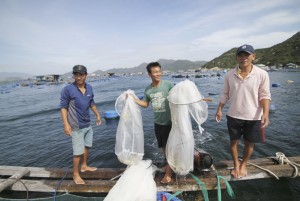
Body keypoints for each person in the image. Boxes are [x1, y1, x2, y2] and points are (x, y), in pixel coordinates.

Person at [215, 44, 271, 178]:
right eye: (240, 55)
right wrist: (219, 109)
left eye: (247, 55)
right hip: (233, 115)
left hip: (253, 116)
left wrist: (266, 113)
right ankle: (236, 164)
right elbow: (225, 94)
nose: (243, 58)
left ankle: (244, 163)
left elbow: (265, 95)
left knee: (249, 142)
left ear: (253, 56)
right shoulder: (229, 75)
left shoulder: (262, 74)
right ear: (236, 58)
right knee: (233, 141)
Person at [129, 62, 174, 184]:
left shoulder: (168, 85)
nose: (158, 74)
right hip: (157, 123)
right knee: (163, 148)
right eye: (155, 72)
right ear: (149, 74)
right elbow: (145, 104)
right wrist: (134, 99)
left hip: (169, 123)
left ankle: (169, 174)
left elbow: (178, 96)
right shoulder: (148, 90)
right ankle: (169, 165)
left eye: (159, 71)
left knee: (169, 148)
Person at [60, 65, 101, 184]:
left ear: (85, 75)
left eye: (81, 75)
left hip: (87, 124)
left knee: (87, 146)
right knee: (78, 151)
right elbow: (63, 107)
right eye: (76, 74)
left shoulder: (89, 88)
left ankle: (84, 166)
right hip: (76, 126)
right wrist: (65, 124)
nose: (78, 77)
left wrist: (97, 114)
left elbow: (91, 103)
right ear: (73, 75)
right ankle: (75, 174)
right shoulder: (68, 89)